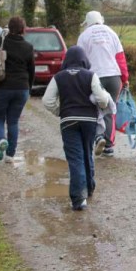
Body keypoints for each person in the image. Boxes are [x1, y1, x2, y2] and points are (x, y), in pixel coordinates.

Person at [42, 46, 111, 211]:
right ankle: (89, 187)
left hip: (69, 121)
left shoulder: (59, 77)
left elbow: (47, 100)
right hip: (89, 121)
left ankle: (79, 198)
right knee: (87, 153)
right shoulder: (90, 75)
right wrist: (100, 107)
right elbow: (102, 99)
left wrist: (60, 111)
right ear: (84, 60)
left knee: (75, 158)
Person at [77, 11, 129, 157]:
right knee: (110, 110)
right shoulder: (112, 33)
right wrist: (124, 78)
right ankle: (109, 145)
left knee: (93, 108)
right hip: (113, 76)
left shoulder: (84, 36)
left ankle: (98, 137)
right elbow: (120, 58)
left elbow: (80, 60)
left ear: (87, 22)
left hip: (93, 77)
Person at [0, 16, 35, 164]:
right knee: (13, 122)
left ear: (9, 27)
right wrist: (29, 87)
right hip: (21, 88)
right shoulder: (28, 47)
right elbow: (31, 70)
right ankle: (10, 155)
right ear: (23, 29)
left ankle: (1, 140)